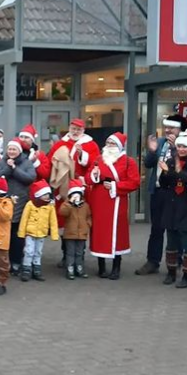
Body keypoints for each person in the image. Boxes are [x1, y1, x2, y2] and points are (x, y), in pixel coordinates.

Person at [136, 114, 187, 276]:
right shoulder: (160, 142)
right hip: (158, 191)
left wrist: (174, 149)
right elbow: (149, 164)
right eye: (166, 127)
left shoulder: (186, 144)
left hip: (177, 192)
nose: (167, 130)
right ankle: (153, 261)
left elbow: (185, 166)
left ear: (180, 129)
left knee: (176, 228)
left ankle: (177, 261)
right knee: (156, 228)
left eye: (171, 127)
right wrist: (152, 151)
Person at [86, 133, 140, 280]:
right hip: (99, 201)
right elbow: (88, 178)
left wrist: (116, 186)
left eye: (113, 143)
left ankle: (116, 267)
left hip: (117, 200)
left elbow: (134, 182)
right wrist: (95, 175)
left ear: (120, 146)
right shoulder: (98, 159)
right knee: (99, 231)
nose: (109, 145)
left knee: (117, 232)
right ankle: (101, 267)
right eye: (108, 142)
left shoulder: (129, 162)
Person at [48, 118, 100, 267]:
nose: (75, 131)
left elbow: (96, 164)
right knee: (65, 221)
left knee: (79, 221)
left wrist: (83, 155)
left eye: (78, 129)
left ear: (83, 131)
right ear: (69, 128)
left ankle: (79, 257)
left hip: (81, 188)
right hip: (64, 189)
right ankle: (66, 256)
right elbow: (51, 161)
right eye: (73, 128)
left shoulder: (91, 145)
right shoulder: (60, 144)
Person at [159, 133, 187, 288]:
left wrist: (180, 172)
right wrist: (165, 173)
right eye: (179, 146)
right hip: (171, 207)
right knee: (170, 242)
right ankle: (171, 272)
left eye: (185, 146)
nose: (181, 149)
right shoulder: (171, 161)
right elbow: (164, 184)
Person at [0, 137, 36, 275]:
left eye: (14, 149)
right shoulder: (0, 162)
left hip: (20, 201)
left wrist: (14, 168)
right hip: (3, 201)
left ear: (19, 150)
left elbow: (29, 178)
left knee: (17, 234)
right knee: (3, 233)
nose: (11, 151)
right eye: (9, 149)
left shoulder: (27, 163)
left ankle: (16, 261)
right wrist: (8, 167)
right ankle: (4, 261)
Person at [17, 179, 58, 282]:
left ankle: (36, 269)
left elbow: (53, 221)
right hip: (30, 232)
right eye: (44, 194)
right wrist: (21, 232)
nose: (47, 197)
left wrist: (54, 234)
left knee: (38, 252)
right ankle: (27, 269)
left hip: (41, 233)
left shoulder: (50, 207)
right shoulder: (30, 204)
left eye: (48, 194)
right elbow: (24, 219)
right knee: (29, 251)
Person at [59, 179, 91, 280]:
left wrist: (87, 225)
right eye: (74, 195)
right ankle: (70, 269)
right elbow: (62, 212)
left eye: (78, 195)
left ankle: (79, 268)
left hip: (82, 234)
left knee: (80, 252)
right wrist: (70, 203)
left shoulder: (85, 206)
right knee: (70, 253)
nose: (76, 197)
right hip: (70, 234)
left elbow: (89, 216)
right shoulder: (67, 205)